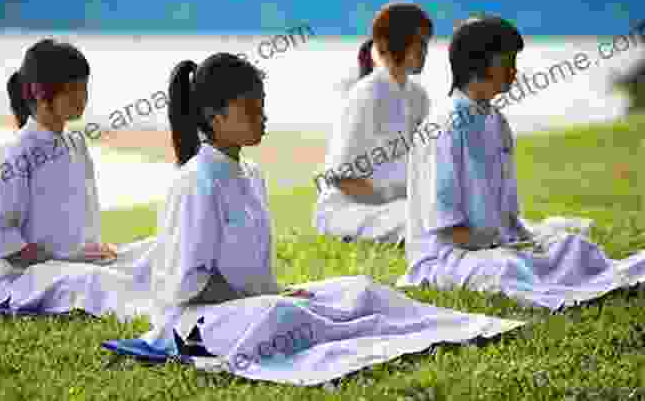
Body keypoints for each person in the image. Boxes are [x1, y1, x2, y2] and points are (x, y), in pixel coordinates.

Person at [129, 53, 522, 379]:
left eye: (262, 106)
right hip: (196, 325)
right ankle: (380, 336)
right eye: (250, 109)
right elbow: (190, 284)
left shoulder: (251, 175)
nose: (262, 117)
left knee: (357, 288)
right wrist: (267, 295)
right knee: (286, 312)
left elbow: (253, 274)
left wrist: (272, 290)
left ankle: (445, 327)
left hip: (252, 304)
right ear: (215, 117)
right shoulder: (195, 182)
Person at [398, 16, 645, 310]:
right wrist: (502, 247)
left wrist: (531, 242)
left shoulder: (496, 122)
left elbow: (508, 217)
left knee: (572, 247)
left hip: (494, 247)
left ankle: (609, 279)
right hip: (446, 257)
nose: (515, 72)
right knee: (506, 269)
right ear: (480, 64)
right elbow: (448, 229)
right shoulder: (443, 127)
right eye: (508, 63)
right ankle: (567, 292)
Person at [0, 39, 153, 315]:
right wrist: (70, 256)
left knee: (156, 250)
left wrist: (88, 252)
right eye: (72, 89)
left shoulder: (76, 145)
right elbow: (3, 246)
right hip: (24, 278)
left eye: (84, 87)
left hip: (78, 264)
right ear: (38, 92)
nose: (82, 97)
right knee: (97, 281)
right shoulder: (13, 153)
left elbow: (77, 236)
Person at [313, 2, 433, 245]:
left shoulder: (418, 97)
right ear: (390, 45)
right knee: (418, 222)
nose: (424, 52)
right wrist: (394, 200)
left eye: (426, 43)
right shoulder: (366, 95)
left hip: (394, 206)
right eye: (418, 43)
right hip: (348, 209)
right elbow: (339, 177)